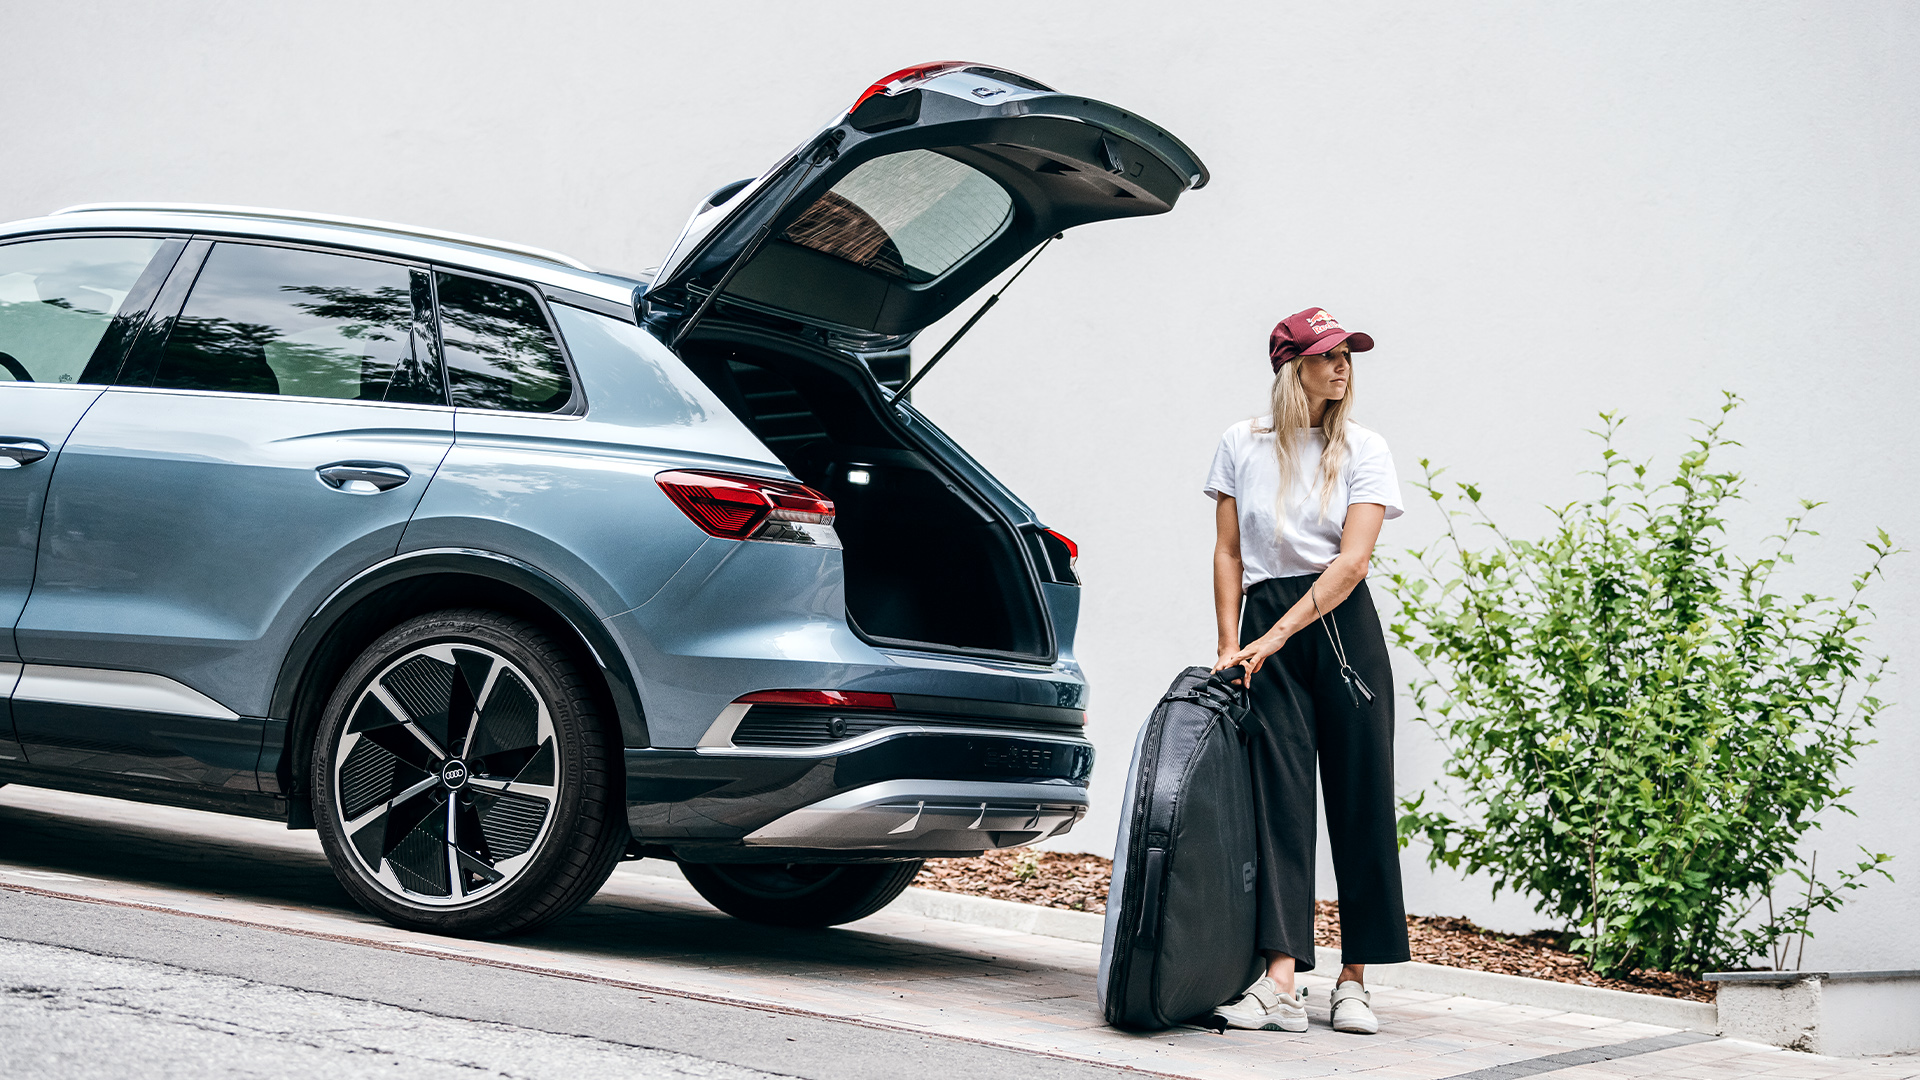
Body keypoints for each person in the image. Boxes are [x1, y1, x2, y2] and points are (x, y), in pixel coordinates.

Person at [1203, 307, 1411, 1035]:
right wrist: (1232, 646)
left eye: (1348, 355)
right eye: (1326, 356)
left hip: (1340, 627)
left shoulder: (1365, 447)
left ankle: (1355, 979)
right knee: (1278, 802)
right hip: (1265, 627)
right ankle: (1282, 977)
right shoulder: (1241, 443)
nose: (1342, 366)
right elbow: (1229, 553)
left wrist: (1276, 638)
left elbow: (1352, 561)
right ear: (1292, 367)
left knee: (1359, 798)